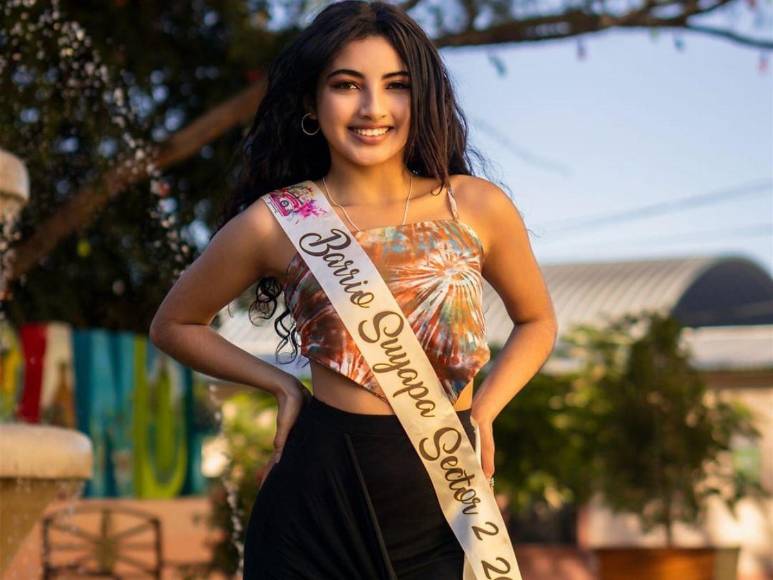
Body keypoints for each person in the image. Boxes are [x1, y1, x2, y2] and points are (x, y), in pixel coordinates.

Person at [149, 1, 558, 578]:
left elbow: (538, 321)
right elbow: (174, 324)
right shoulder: (276, 221)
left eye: (396, 86)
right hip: (314, 505)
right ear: (314, 102)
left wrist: (485, 412)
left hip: (444, 500)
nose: (372, 108)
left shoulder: (475, 206)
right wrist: (282, 387)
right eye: (347, 85)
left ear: (421, 101)